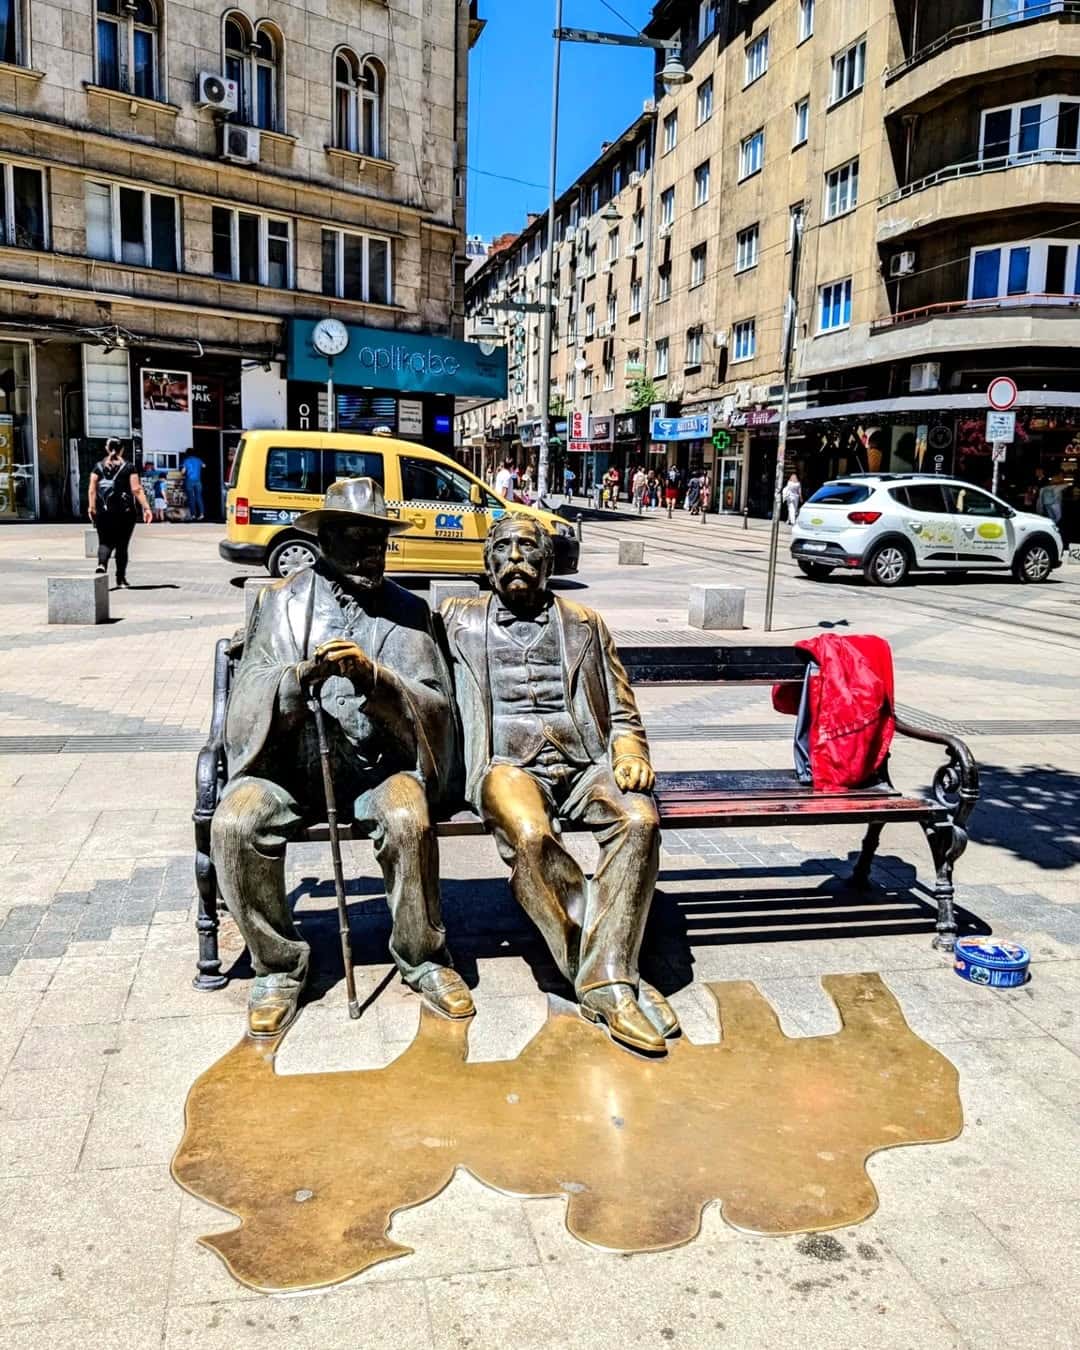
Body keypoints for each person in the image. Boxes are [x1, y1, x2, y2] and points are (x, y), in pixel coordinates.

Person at [211, 477, 473, 1036]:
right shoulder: (281, 603)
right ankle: (279, 967)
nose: (372, 550)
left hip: (376, 769)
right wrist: (297, 678)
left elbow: (435, 705)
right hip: (287, 766)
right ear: (326, 539)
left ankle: (422, 956)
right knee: (235, 823)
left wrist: (374, 678)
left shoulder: (408, 610)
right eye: (357, 536)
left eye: (379, 539)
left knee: (407, 815)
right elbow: (248, 692)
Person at [440, 516, 678, 1056]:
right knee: (530, 835)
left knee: (640, 821)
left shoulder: (585, 623)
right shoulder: (457, 620)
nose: (515, 558)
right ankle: (614, 982)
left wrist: (630, 752)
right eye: (503, 549)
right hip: (506, 765)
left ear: (549, 564)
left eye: (529, 548)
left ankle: (612, 972)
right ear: (487, 563)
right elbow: (394, 630)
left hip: (583, 759)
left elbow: (621, 709)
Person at [88, 439, 153, 588]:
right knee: (122, 546)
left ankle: (102, 564)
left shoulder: (98, 467)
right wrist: (147, 508)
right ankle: (121, 579)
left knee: (104, 542)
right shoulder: (129, 467)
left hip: (103, 512)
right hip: (125, 513)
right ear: (122, 449)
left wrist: (91, 508)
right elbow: (136, 489)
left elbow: (92, 489)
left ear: (106, 448)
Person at [183, 448, 207, 521]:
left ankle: (193, 515)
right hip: (198, 481)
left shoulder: (186, 460)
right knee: (199, 497)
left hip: (189, 480)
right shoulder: (198, 459)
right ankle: (202, 514)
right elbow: (204, 466)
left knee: (191, 498)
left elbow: (183, 471)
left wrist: (183, 472)